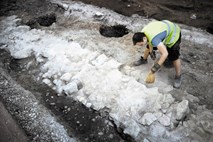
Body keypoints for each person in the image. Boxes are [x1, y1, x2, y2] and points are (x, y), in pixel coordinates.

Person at [132, 20, 182, 88]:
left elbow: (165, 53)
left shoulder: (155, 39)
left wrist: (155, 68)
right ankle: (144, 60)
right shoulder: (143, 33)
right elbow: (149, 42)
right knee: (148, 47)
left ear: (144, 38)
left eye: (140, 44)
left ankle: (178, 76)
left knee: (174, 56)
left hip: (174, 33)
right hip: (163, 29)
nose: (141, 46)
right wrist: (151, 50)